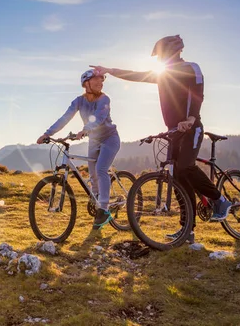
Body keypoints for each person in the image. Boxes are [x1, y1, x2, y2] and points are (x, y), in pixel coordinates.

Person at [91, 35, 232, 242]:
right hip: (174, 131)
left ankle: (219, 200)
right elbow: (136, 75)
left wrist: (191, 117)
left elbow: (198, 93)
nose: (158, 60)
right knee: (178, 179)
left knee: (185, 167)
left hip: (192, 128)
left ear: (173, 52)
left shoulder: (191, 68)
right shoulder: (162, 74)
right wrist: (110, 70)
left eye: (160, 55)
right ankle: (187, 231)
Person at [37, 69, 121, 230]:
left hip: (110, 139)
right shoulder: (78, 101)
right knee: (93, 175)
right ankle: (98, 204)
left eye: (102, 81)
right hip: (94, 140)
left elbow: (99, 117)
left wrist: (86, 129)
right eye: (97, 81)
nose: (100, 83)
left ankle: (104, 209)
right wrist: (47, 133)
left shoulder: (104, 99)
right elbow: (65, 117)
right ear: (86, 83)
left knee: (101, 169)